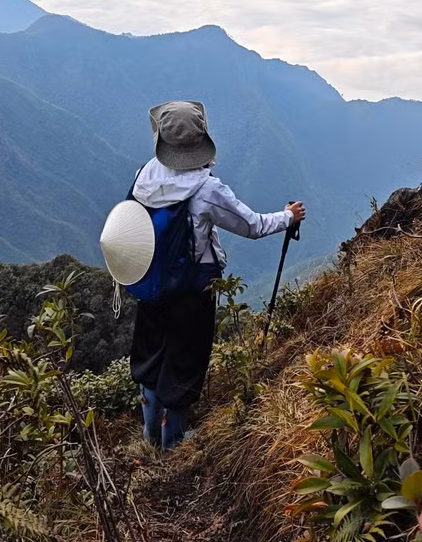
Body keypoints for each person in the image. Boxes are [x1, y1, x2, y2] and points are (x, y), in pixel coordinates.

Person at [129, 100, 306, 450]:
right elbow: (252, 225)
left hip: (150, 284)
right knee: (183, 363)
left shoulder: (144, 176)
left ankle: (150, 437)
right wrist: (288, 217)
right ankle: (173, 445)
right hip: (192, 293)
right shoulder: (207, 189)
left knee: (152, 358)